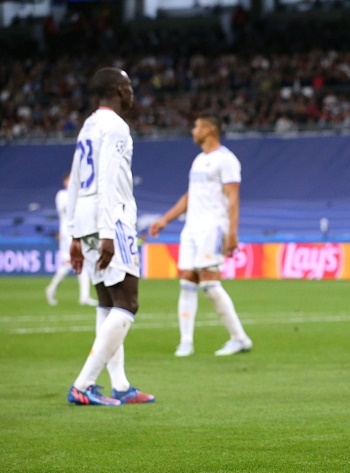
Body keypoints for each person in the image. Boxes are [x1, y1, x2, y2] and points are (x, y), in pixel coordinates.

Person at [66, 67, 155, 406]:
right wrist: (108, 231)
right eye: (129, 86)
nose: (132, 92)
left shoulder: (89, 125)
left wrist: (75, 233)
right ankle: (84, 385)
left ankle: (120, 385)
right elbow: (107, 180)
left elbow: (76, 179)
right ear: (120, 89)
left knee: (107, 301)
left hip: (86, 217)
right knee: (128, 302)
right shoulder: (116, 126)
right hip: (111, 219)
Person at [148, 114, 252, 357]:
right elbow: (190, 196)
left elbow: (233, 198)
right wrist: (165, 219)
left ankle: (239, 338)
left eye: (196, 127)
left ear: (209, 130)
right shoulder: (198, 160)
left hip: (213, 228)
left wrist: (232, 232)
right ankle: (186, 342)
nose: (193, 131)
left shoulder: (226, 160)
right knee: (187, 280)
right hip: (192, 228)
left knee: (209, 283)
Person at [45, 172, 98, 307]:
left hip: (79, 232)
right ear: (65, 182)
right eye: (70, 180)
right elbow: (67, 209)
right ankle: (52, 288)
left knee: (81, 263)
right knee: (71, 263)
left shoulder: (80, 195)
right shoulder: (62, 195)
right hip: (68, 234)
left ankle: (84, 296)